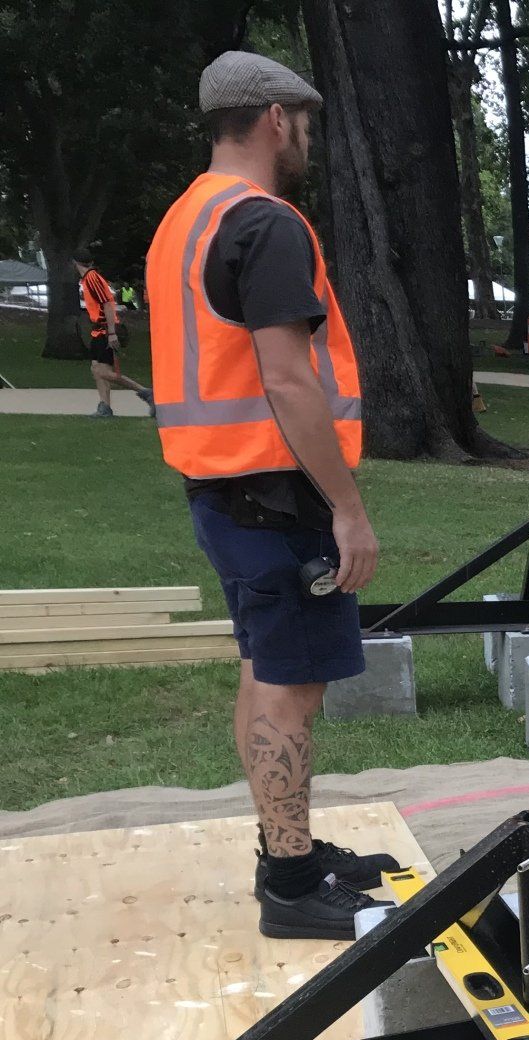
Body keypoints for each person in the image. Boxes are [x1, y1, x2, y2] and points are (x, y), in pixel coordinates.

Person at [146, 50, 389, 941]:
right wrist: (347, 508)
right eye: (306, 123)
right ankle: (290, 885)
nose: (307, 139)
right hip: (279, 495)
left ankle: (287, 852)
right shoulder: (265, 223)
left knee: (263, 668)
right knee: (293, 690)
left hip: (220, 490)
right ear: (276, 119)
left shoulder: (185, 219)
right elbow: (289, 380)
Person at [73, 250, 155, 417]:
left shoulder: (92, 278)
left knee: (102, 372)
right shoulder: (88, 278)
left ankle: (145, 392)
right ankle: (105, 406)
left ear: (75, 263)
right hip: (98, 330)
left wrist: (111, 333)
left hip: (105, 330)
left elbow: (107, 304)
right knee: (96, 368)